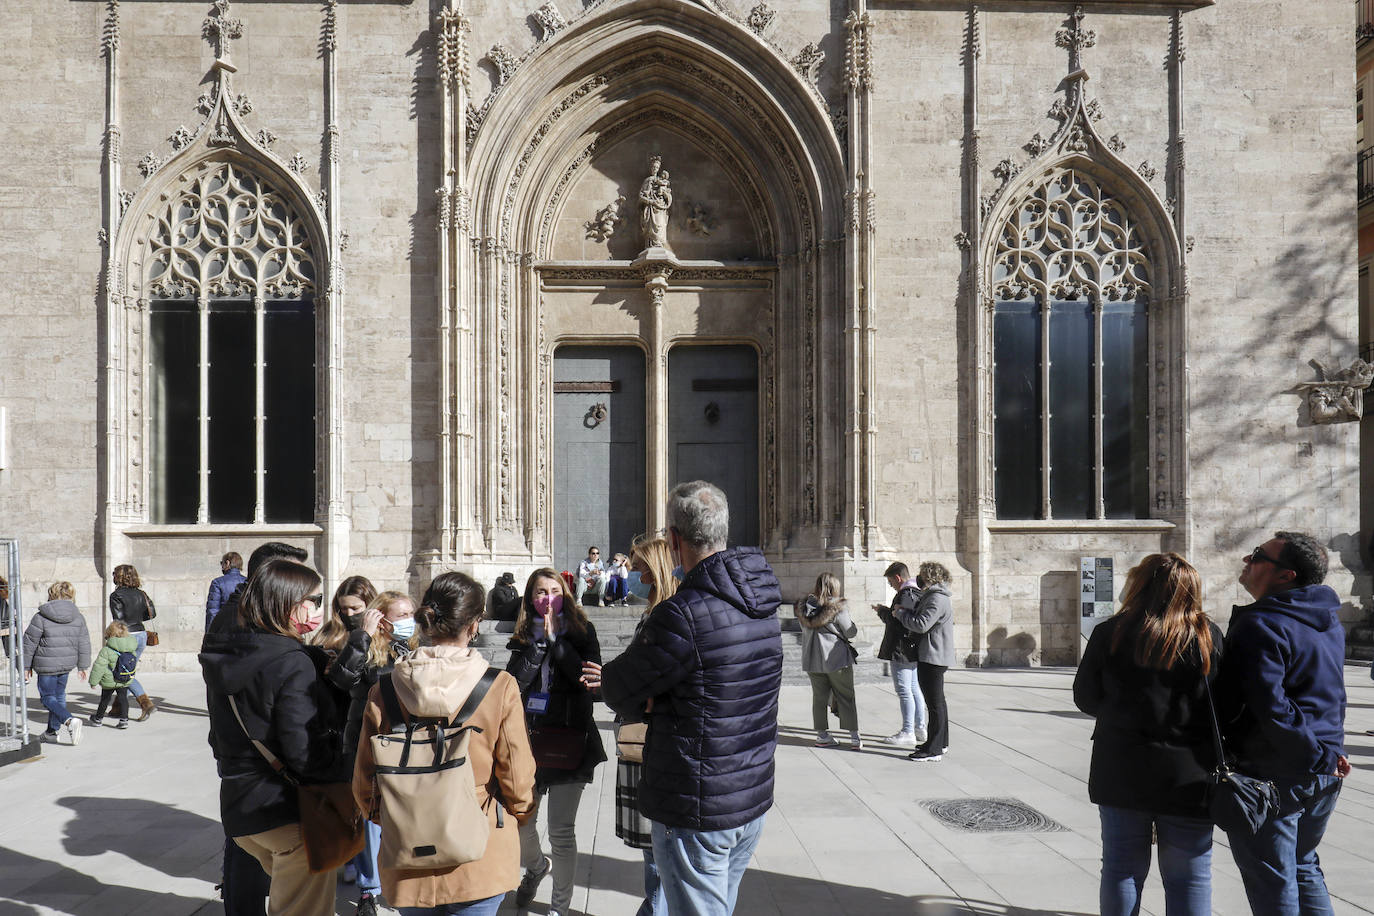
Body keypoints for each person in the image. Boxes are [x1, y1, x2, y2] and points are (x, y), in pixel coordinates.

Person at [600, 480, 782, 916]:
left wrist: (648, 699)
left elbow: (618, 687)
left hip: (697, 803)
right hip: (748, 796)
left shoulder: (683, 613)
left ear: (675, 539)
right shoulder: (762, 602)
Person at [353, 571, 538, 916]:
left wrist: (392, 817)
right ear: (474, 624)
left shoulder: (385, 690)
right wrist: (515, 816)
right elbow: (518, 775)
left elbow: (364, 781)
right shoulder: (499, 687)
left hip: (408, 854)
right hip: (479, 851)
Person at [1073, 553, 1223, 916]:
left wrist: (1123, 711)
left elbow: (1086, 697)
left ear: (1139, 584)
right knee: (1190, 877)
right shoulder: (1207, 636)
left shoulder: (1112, 632)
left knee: (1122, 869)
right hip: (1190, 773)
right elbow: (1225, 705)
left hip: (1123, 767)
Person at [1215, 532, 1350, 915]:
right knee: (1303, 866)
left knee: (1273, 877)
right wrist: (1327, 754)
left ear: (1285, 575)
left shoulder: (1263, 624)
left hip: (1278, 770)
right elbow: (1327, 696)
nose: (1246, 559)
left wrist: (1314, 754)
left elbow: (1271, 706)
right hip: (1323, 766)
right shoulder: (1326, 621)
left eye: (1258, 556)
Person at [199, 558, 343, 916]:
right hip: (286, 814)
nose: (316, 609)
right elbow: (303, 751)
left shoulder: (226, 650)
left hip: (240, 807)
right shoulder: (290, 661)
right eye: (314, 599)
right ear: (288, 602)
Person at [504, 569, 606, 916]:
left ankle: (560, 909)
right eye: (539, 593)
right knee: (522, 823)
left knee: (562, 833)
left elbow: (589, 683)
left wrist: (558, 643)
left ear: (565, 594)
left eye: (553, 591)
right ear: (530, 599)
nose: (546, 599)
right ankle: (535, 867)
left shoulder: (582, 632)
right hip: (528, 742)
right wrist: (539, 644)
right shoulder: (521, 636)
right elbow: (512, 686)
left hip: (569, 741)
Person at [603, 535, 678, 916]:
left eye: (641, 567)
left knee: (657, 841)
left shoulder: (668, 614)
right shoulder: (653, 611)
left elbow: (652, 679)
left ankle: (654, 910)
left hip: (652, 738)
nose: (634, 573)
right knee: (653, 841)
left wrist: (617, 682)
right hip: (640, 735)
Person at [315, 576, 380, 905]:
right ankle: (362, 872)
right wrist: (360, 639)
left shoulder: (384, 637)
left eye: (356, 607)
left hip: (370, 733)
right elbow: (338, 682)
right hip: (340, 732)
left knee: (367, 811)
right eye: (344, 608)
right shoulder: (333, 635)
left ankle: (366, 871)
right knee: (353, 808)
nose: (350, 613)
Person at [897, 561, 956, 762]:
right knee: (937, 702)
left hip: (933, 656)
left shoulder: (937, 599)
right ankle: (940, 742)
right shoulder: (935, 597)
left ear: (930, 577)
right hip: (933, 654)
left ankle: (934, 749)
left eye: (922, 574)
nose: (918, 578)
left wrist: (901, 614)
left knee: (934, 703)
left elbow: (922, 625)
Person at [797, 572, 861, 750]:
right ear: (834, 587)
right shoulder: (837, 607)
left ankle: (822, 735)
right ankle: (854, 738)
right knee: (846, 696)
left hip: (812, 659)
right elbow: (850, 632)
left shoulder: (805, 607)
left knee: (819, 698)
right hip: (836, 659)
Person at [23, 581, 91, 746]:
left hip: (46, 666)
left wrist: (26, 666)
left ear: (51, 594)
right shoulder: (78, 616)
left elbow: (29, 643)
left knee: (47, 698)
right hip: (66, 664)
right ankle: (51, 732)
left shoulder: (41, 616)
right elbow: (84, 642)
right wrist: (83, 666)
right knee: (59, 696)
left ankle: (69, 721)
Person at [872, 562, 927, 749]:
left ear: (897, 577)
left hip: (901, 649)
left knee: (905, 691)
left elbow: (900, 623)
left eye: (890, 582)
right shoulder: (914, 592)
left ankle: (908, 731)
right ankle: (919, 728)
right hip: (909, 648)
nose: (890, 585)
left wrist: (882, 612)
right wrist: (888, 612)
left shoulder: (906, 594)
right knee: (913, 688)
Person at [108, 564, 156, 721]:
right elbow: (152, 614)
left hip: (126, 636)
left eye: (114, 573)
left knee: (124, 673)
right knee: (127, 670)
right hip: (141, 634)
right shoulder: (141, 593)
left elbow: (119, 620)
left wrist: (111, 636)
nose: (112, 575)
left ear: (120, 576)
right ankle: (118, 708)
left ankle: (146, 704)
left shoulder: (116, 595)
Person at [88, 620, 140, 729]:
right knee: (123, 699)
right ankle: (124, 720)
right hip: (124, 678)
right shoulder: (131, 647)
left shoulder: (107, 650)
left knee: (105, 700)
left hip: (109, 680)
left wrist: (93, 682)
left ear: (110, 633)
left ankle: (98, 719)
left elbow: (99, 667)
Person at [207, 551, 247, 630]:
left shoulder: (217, 582)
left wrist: (209, 633)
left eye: (222, 563)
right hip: (244, 629)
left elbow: (213, 611)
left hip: (224, 629)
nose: (221, 566)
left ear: (227, 563)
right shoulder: (247, 581)